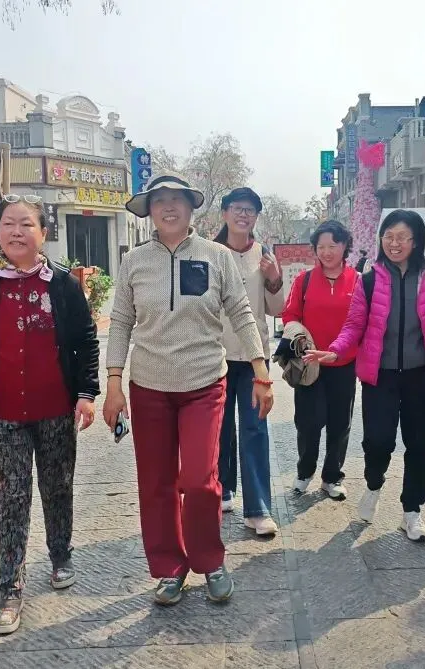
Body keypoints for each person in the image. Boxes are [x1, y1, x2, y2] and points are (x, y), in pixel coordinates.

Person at [103, 172, 274, 605]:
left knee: (199, 478)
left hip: (203, 383)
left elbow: (242, 312)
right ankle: (169, 568)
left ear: (191, 207)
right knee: (156, 482)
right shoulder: (134, 262)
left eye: (176, 198)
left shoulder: (217, 256)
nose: (168, 206)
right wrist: (114, 384)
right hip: (149, 387)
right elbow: (120, 322)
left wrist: (260, 372)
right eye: (159, 200)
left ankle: (210, 559)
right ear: (149, 210)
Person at [0, 194, 100, 635]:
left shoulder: (62, 284)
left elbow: (86, 340)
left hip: (56, 410)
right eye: (8, 224)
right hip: (4, 413)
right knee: (12, 495)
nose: (16, 232)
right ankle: (10, 587)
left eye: (26, 224)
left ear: (43, 233)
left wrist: (87, 394)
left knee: (57, 486)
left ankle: (60, 555)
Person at [305, 210, 425, 543]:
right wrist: (336, 350)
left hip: (420, 377)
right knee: (378, 441)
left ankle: (412, 511)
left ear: (416, 241)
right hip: (380, 377)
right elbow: (354, 325)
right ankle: (374, 485)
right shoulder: (369, 280)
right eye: (388, 236)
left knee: (418, 445)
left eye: (402, 237)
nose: (394, 243)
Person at [213, 187, 284, 536]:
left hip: (255, 357)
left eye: (251, 211)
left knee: (255, 427)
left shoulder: (264, 255)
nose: (244, 215)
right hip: (216, 354)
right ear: (225, 212)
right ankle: (221, 490)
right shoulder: (209, 253)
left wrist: (273, 279)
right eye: (238, 209)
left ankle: (257, 508)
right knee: (218, 427)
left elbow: (277, 309)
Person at [281, 220, 358, 500]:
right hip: (310, 365)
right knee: (308, 422)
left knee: (340, 423)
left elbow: (361, 321)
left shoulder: (358, 280)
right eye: (321, 247)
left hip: (343, 364)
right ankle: (305, 472)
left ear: (344, 246)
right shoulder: (304, 280)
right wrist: (300, 339)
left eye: (333, 246)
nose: (326, 252)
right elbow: (290, 315)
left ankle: (332, 477)